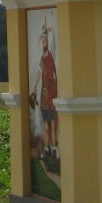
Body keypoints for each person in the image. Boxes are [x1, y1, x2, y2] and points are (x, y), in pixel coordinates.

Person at [31, 23, 59, 159]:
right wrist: (35, 85)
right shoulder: (41, 58)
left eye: (45, 40)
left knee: (53, 125)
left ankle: (54, 148)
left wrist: (48, 30)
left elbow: (54, 73)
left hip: (52, 93)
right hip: (44, 94)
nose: (43, 42)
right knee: (46, 126)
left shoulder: (51, 57)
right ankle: (47, 149)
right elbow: (39, 72)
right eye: (42, 41)